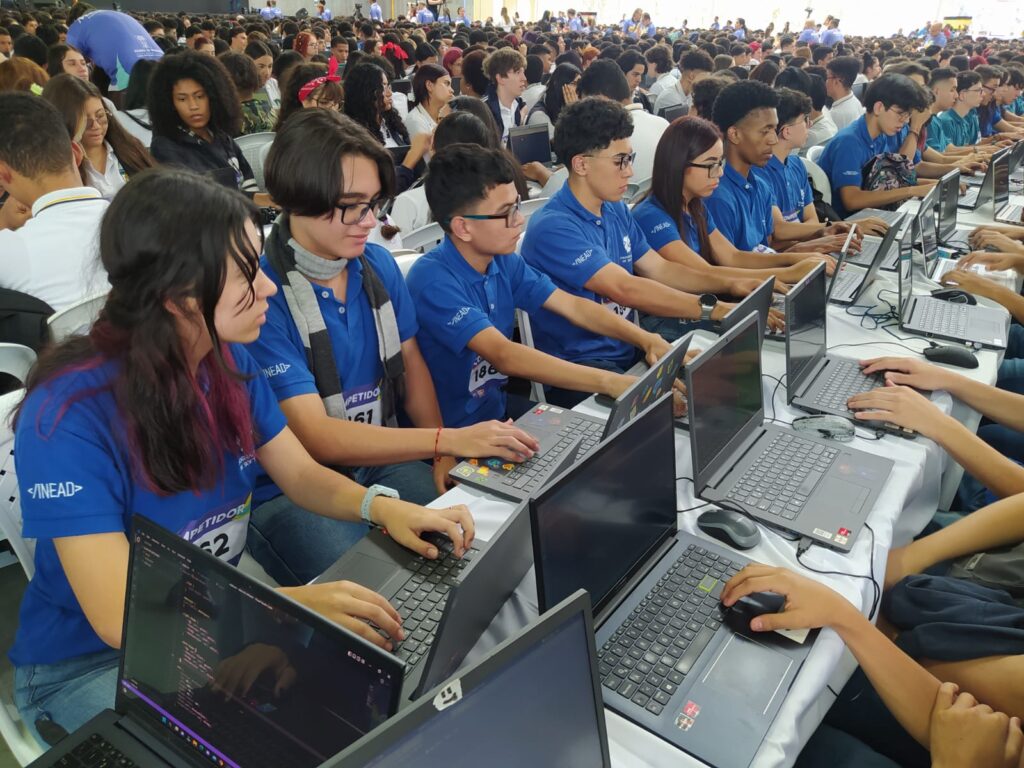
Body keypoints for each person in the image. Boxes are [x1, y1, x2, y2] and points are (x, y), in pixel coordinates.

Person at [9, 166, 476, 747]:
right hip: (96, 665)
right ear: (178, 294)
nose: (270, 288)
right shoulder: (67, 414)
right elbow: (116, 614)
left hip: (216, 626)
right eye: (248, 273)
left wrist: (382, 507)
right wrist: (292, 609)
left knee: (365, 709)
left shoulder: (225, 360)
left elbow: (300, 473)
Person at [243, 110, 527, 586]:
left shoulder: (376, 265)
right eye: (354, 206)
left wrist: (440, 452)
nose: (370, 221)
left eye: (374, 203)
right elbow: (317, 436)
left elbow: (412, 367)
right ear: (300, 199)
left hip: (381, 459)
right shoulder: (261, 294)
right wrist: (447, 439)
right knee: (386, 589)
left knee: (475, 546)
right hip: (292, 490)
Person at [409, 143, 677, 426]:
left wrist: (647, 339)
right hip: (453, 433)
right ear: (463, 227)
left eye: (517, 206)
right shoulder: (432, 281)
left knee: (595, 436)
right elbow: (504, 354)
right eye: (506, 212)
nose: (519, 220)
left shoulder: (502, 262)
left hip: (496, 413)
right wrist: (611, 382)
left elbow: (574, 306)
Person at [520, 97, 741, 398]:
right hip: (582, 370)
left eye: (631, 159)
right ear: (581, 164)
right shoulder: (553, 226)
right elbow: (625, 288)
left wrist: (731, 286)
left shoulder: (615, 209)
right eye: (620, 161)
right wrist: (711, 308)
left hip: (630, 351)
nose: (629, 172)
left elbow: (660, 269)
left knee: (722, 376)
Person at [633, 116, 824, 298]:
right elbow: (703, 271)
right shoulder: (651, 216)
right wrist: (789, 273)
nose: (719, 172)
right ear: (679, 164)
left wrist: (795, 259)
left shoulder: (695, 206)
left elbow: (733, 256)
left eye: (719, 162)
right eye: (710, 165)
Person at [704, 81, 847, 255]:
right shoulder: (717, 196)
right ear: (735, 134)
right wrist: (797, 258)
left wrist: (813, 244)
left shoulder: (759, 186)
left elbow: (766, 248)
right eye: (765, 131)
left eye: (774, 129)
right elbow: (732, 268)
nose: (773, 140)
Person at [0, 93, 108, 312]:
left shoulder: (9, 250)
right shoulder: (143, 219)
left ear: (3, 174)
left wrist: (2, 222)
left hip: (62, 345)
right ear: (77, 153)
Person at [816, 74, 935, 219]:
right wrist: (912, 191)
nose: (905, 121)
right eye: (900, 114)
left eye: (908, 115)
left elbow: (892, 181)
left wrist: (936, 186)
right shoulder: (849, 142)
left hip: (878, 214)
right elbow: (852, 200)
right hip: (852, 224)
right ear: (879, 107)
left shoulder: (885, 133)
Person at [147, 50, 260, 199]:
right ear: (170, 103)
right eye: (182, 99)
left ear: (214, 96)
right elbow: (197, 200)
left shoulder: (221, 137)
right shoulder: (165, 148)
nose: (193, 106)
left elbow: (249, 185)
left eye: (200, 96)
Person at [42, 74, 155, 199]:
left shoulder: (130, 149)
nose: (95, 125)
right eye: (86, 121)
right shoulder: (59, 170)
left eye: (100, 116)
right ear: (65, 122)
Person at [578, 60, 666, 183]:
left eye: (588, 104)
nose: (587, 111)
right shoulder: (663, 124)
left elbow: (578, 185)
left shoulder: (604, 135)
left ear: (601, 98)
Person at [65, 10, 163, 92]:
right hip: (163, 68)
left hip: (128, 76)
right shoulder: (119, 16)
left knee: (119, 112)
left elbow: (70, 56)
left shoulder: (77, 27)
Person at [274, 60, 344, 130]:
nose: (333, 110)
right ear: (304, 100)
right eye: (324, 103)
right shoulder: (293, 136)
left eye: (336, 103)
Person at [218, 51, 274, 135]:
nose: (267, 72)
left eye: (270, 66)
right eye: (261, 66)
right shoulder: (270, 111)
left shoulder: (225, 121)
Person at [482, 48, 527, 144]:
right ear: (500, 78)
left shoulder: (518, 105)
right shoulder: (483, 111)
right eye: (517, 72)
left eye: (523, 72)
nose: (524, 78)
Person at [527, 61, 579, 139]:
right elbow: (564, 145)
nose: (578, 89)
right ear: (560, 85)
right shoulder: (539, 116)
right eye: (574, 83)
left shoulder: (564, 107)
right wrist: (573, 112)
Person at [653, 49, 713, 116]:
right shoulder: (669, 98)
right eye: (705, 77)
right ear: (691, 76)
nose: (708, 81)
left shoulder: (690, 95)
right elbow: (686, 125)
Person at [403, 62, 452, 143]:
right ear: (429, 85)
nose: (452, 90)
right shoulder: (415, 120)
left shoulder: (446, 113)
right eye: (447, 83)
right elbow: (430, 154)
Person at [824, 55, 865, 131]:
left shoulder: (837, 114)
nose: (825, 82)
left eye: (827, 77)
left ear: (838, 81)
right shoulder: (853, 100)